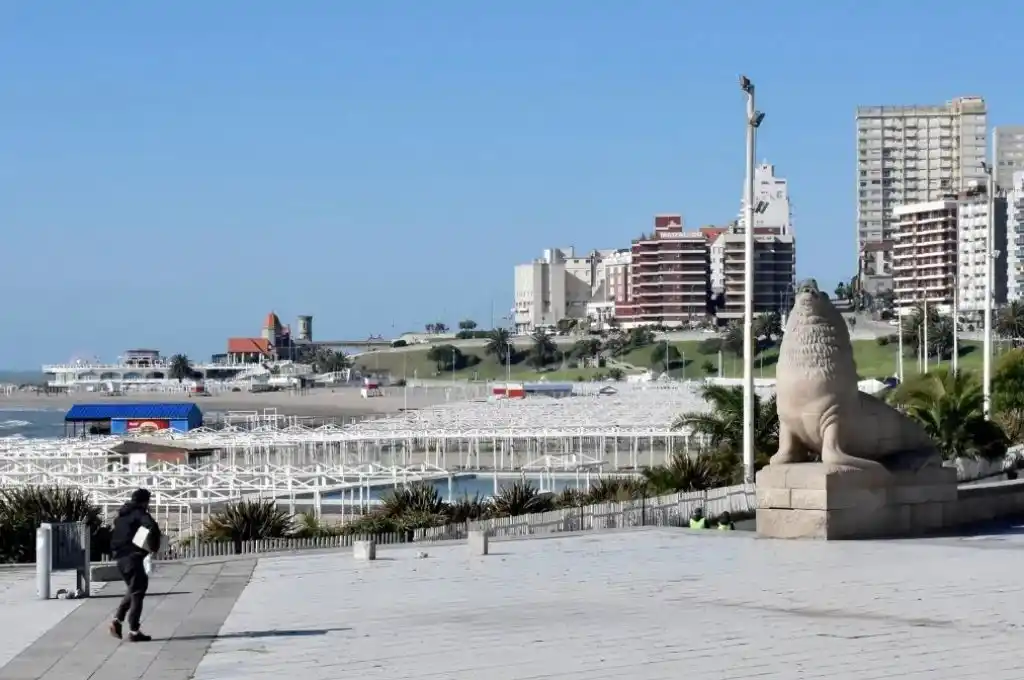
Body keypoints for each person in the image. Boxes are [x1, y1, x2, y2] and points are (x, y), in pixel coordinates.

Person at [109, 488, 161, 642]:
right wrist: (154, 546)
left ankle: (117, 621)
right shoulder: (139, 513)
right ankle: (133, 630)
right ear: (144, 501)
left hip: (120, 559)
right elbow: (151, 526)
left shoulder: (122, 516)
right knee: (138, 592)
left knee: (134, 588)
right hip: (133, 557)